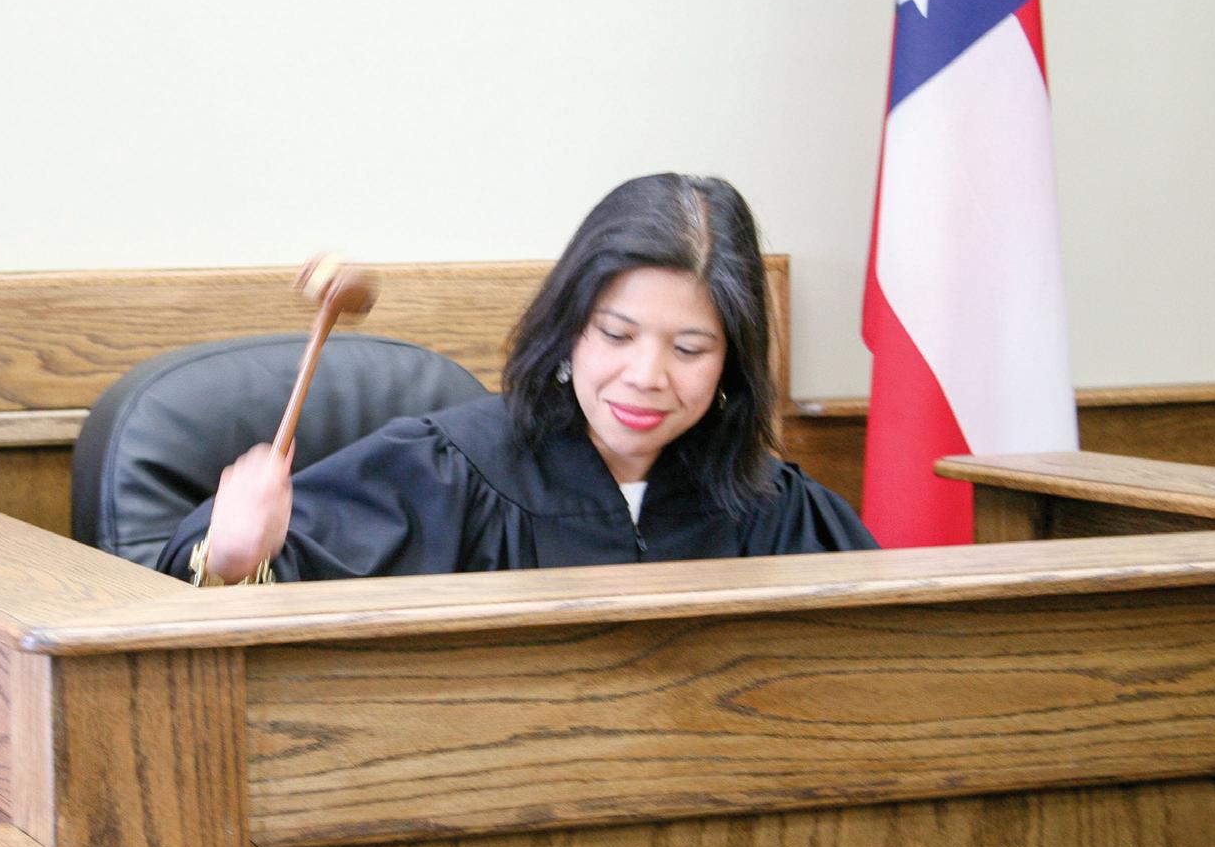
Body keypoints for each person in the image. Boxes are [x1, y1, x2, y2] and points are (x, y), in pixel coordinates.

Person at [157, 173, 876, 585]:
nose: (646, 377)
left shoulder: (771, 507)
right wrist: (230, 560)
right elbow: (210, 595)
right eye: (617, 335)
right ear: (569, 327)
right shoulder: (448, 473)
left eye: (689, 348)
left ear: (731, 363)